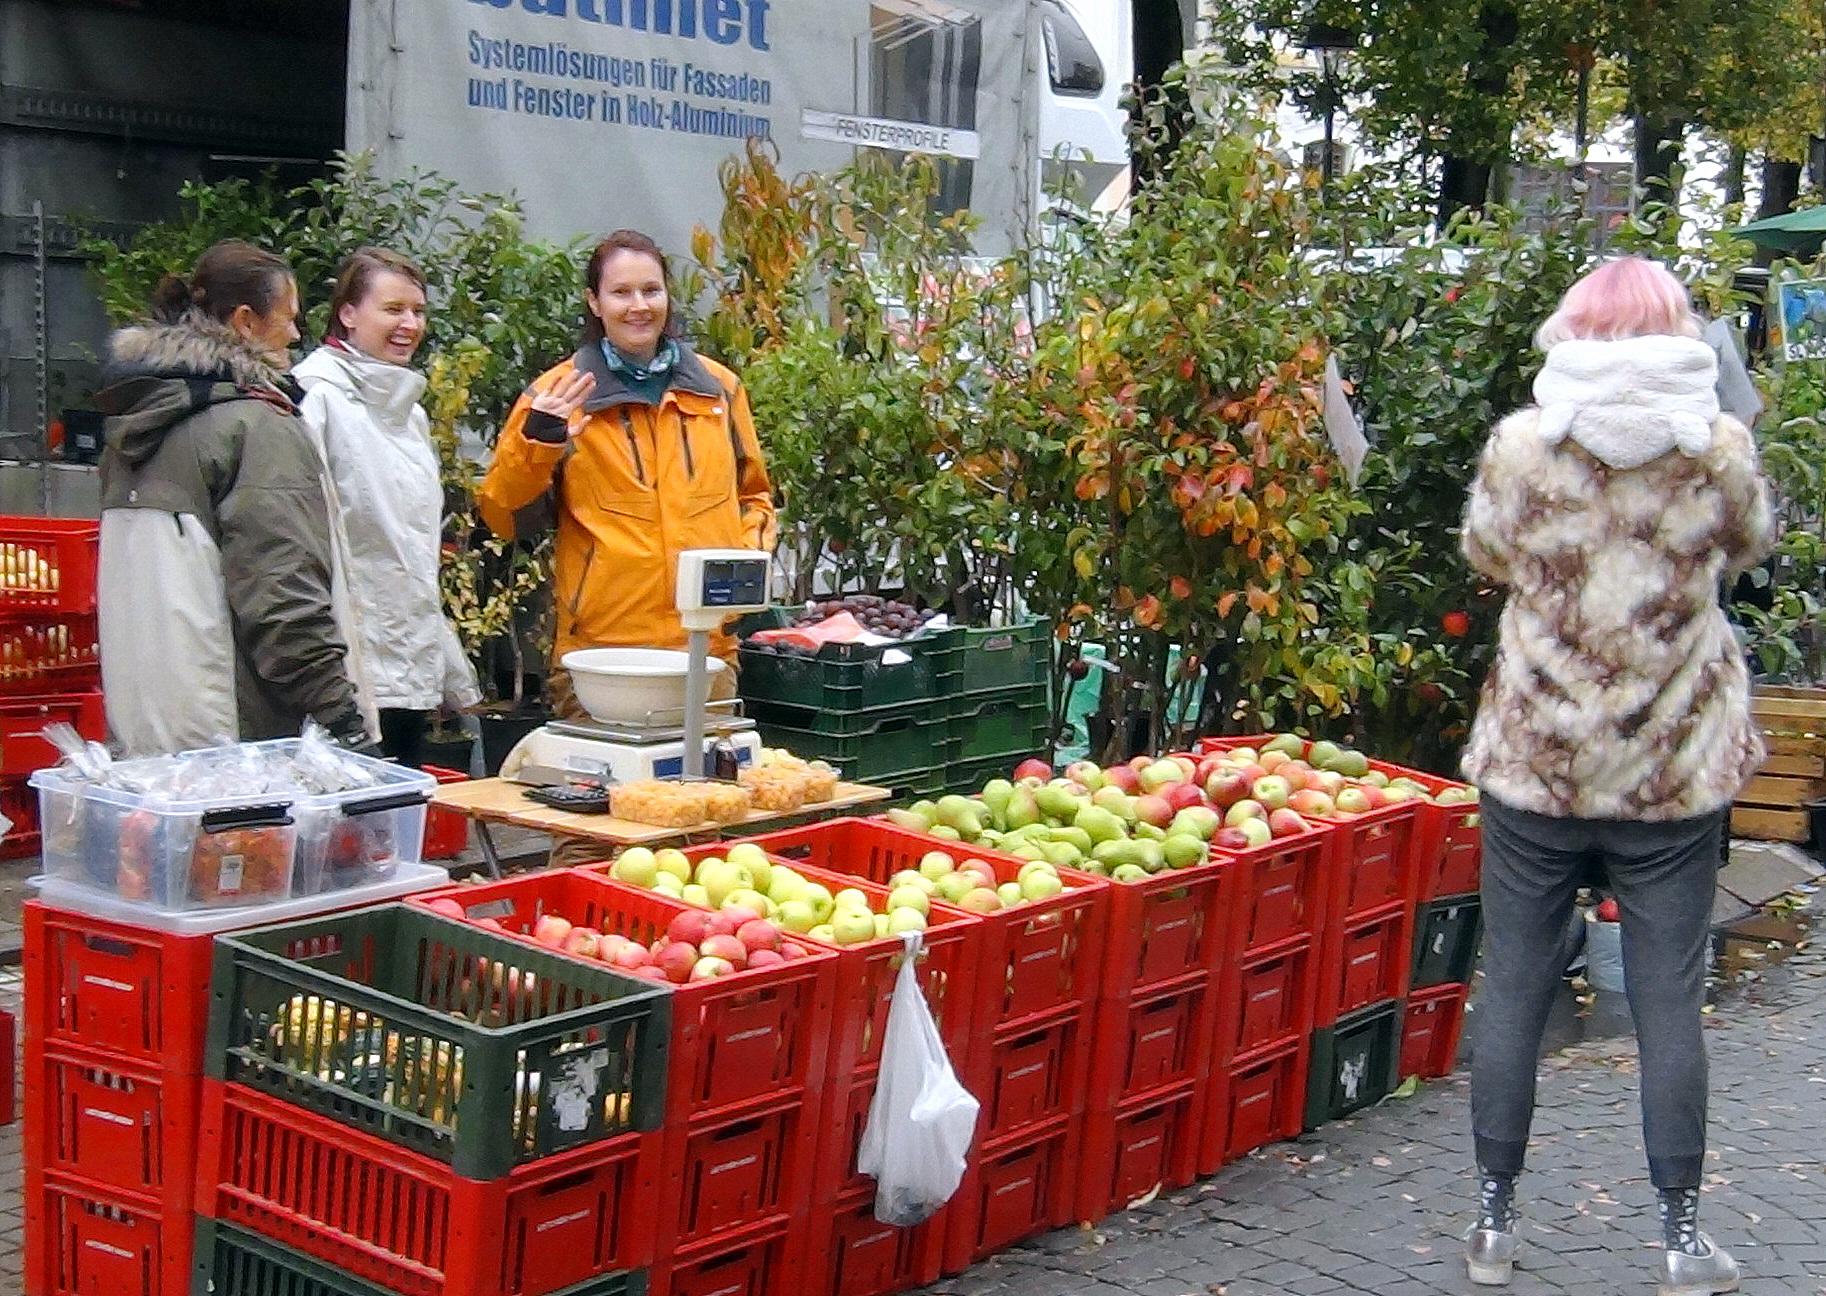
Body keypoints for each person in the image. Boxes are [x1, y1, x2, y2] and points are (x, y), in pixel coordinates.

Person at [1458, 256, 1775, 1294]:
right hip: (1668, 771)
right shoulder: (1716, 453)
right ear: (1674, 331)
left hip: (1536, 764)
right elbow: (1750, 546)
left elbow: (1486, 554)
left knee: (1510, 979)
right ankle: (1681, 1240)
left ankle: (1493, 1226)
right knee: (1668, 995)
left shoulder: (1521, 447)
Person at [478, 229, 775, 719]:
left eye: (650, 290)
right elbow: (502, 516)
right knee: (610, 796)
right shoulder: (556, 395)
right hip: (600, 658)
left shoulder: (719, 390)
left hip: (706, 653)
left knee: (705, 792)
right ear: (594, 302)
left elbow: (755, 497)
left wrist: (739, 568)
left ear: (667, 296)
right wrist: (539, 440)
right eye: (620, 292)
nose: (638, 306)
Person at [94, 239, 371, 756]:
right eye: (288, 318)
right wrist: (343, 720)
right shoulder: (258, 427)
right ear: (245, 322)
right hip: (243, 746)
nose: (294, 334)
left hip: (148, 735)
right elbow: (282, 596)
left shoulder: (133, 427)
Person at [294, 247, 480, 767]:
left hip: (407, 656)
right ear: (348, 314)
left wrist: (441, 660)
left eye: (418, 311)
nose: (409, 324)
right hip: (345, 662)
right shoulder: (316, 399)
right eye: (393, 309)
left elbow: (412, 552)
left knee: (394, 827)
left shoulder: (410, 413)